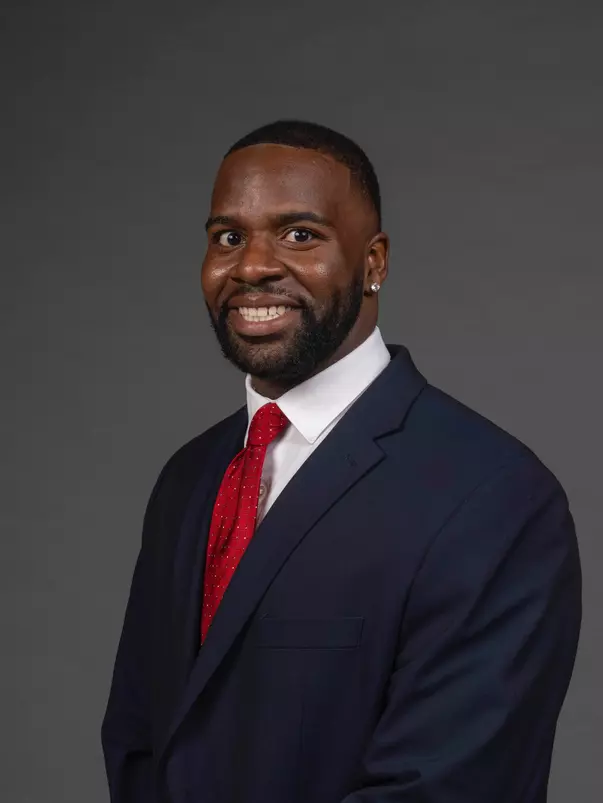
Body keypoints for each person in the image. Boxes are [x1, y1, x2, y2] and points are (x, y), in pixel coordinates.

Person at [101, 120, 581, 803]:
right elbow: (139, 739)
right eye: (227, 237)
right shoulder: (188, 478)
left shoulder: (492, 495)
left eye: (299, 234)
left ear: (374, 262)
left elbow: (449, 786)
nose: (252, 265)